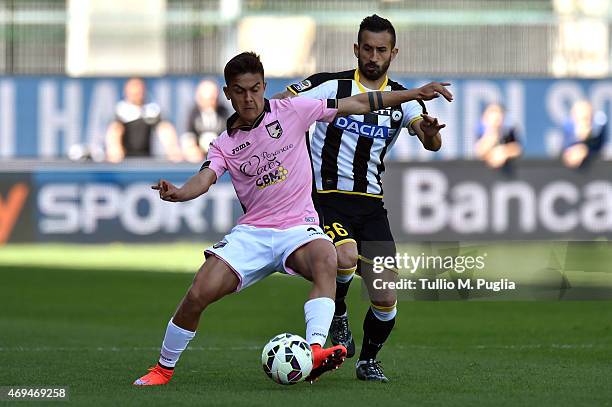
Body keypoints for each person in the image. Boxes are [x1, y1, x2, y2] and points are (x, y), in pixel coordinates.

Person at [132, 51, 452, 386]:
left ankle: (314, 350)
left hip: (299, 229)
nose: (249, 98)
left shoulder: (293, 110)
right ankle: (162, 369)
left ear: (264, 87)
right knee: (198, 294)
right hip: (253, 234)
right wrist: (180, 192)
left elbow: (358, 103)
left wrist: (413, 93)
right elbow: (206, 177)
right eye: (240, 91)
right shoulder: (224, 144)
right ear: (228, 93)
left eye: (255, 89)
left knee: (327, 256)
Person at [273, 15, 449, 382]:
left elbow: (431, 141)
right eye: (367, 48)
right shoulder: (327, 86)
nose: (373, 56)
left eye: (381, 50)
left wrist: (431, 134)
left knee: (385, 296)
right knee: (344, 254)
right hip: (323, 197)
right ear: (356, 49)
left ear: (393, 53)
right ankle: (338, 314)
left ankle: (368, 360)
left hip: (370, 204)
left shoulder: (405, 101)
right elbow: (276, 108)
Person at [105, 77, 182, 163]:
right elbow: (114, 133)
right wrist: (114, 150)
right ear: (126, 91)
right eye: (133, 88)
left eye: (139, 88)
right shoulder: (120, 110)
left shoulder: (151, 110)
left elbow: (164, 129)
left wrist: (172, 149)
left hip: (145, 160)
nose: (136, 92)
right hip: (124, 161)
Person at [181, 79, 230, 163]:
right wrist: (192, 150)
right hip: (198, 160)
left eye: (212, 99)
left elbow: (230, 138)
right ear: (198, 98)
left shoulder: (224, 112)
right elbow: (188, 137)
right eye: (204, 99)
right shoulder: (193, 113)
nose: (208, 103)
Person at [474, 103, 522, 169]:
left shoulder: (509, 131)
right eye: (492, 112)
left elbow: (518, 149)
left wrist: (504, 151)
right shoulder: (480, 131)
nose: (496, 116)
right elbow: (479, 152)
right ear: (485, 117)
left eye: (499, 112)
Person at [562, 100, 607, 169]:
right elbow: (566, 147)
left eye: (586, 118)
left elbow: (598, 145)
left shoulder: (599, 123)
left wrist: (584, 149)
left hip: (596, 166)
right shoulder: (568, 125)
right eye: (579, 118)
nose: (583, 121)